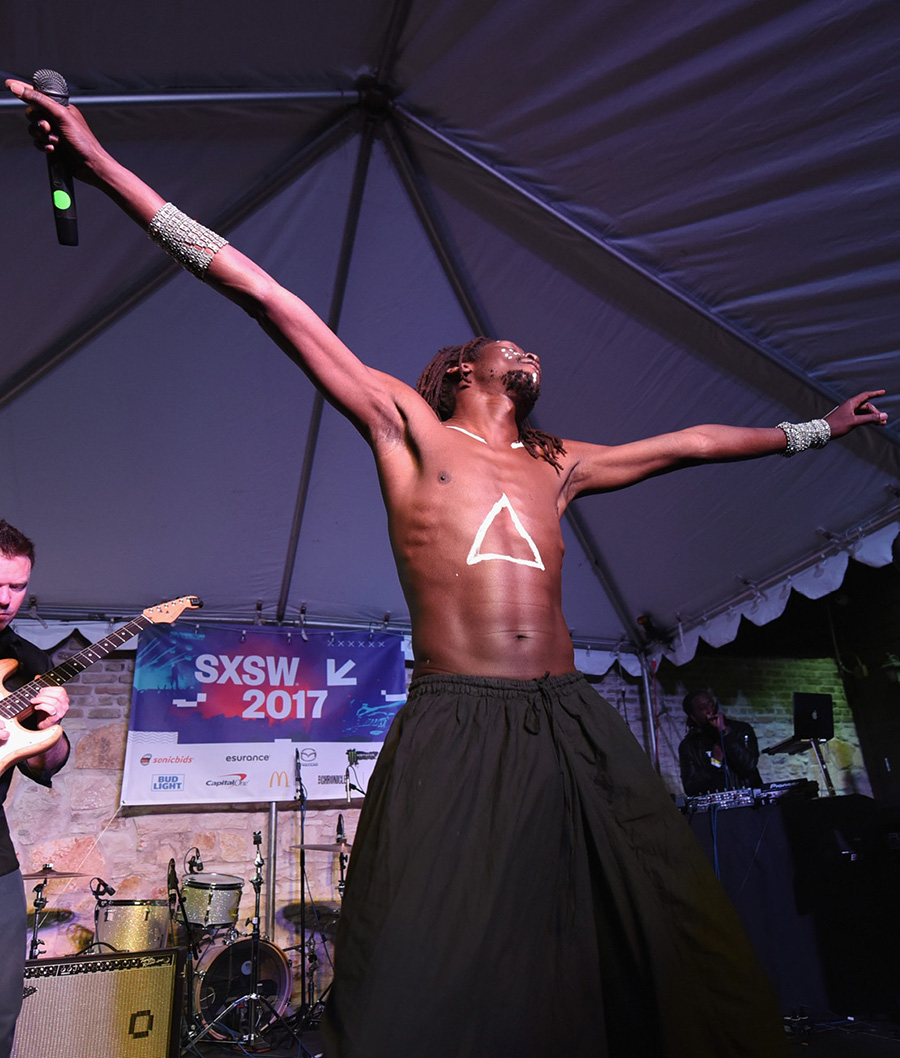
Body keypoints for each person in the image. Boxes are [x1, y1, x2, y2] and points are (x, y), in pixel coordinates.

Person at [7, 78, 889, 1057]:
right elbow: (261, 291)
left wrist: (813, 430)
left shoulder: (559, 464)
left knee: (666, 909)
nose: (525, 349)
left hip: (569, 710)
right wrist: (98, 165)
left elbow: (688, 443)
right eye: (504, 346)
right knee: (422, 945)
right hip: (458, 711)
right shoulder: (407, 428)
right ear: (462, 370)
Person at [0, 520, 70, 1058]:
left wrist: (51, 730)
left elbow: (44, 765)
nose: (6, 599)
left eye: (18, 586)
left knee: (3, 1001)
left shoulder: (30, 662)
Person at [679, 690, 762, 795]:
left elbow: (749, 765)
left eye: (711, 704)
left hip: (749, 798)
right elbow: (690, 788)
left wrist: (725, 733)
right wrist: (715, 762)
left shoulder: (741, 730)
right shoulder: (689, 745)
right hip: (716, 803)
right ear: (693, 717)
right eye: (703, 708)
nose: (709, 710)